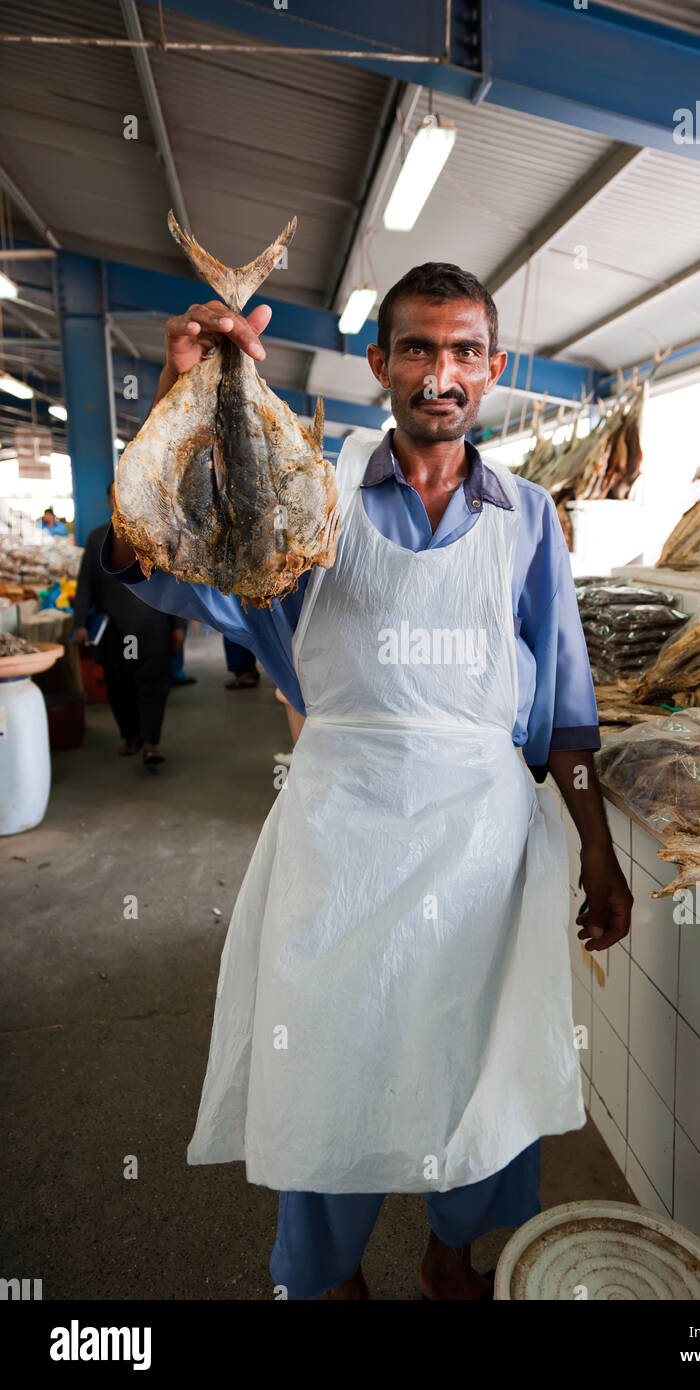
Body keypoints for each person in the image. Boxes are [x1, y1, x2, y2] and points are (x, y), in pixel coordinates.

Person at [102, 262, 632, 1300]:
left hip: (482, 846)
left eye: (465, 350)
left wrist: (598, 854)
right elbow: (151, 555)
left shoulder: (529, 519)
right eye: (420, 349)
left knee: (477, 1061)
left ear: (495, 367)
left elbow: (565, 702)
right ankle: (327, 1275)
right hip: (340, 838)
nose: (443, 373)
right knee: (328, 1067)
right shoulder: (309, 497)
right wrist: (180, 398)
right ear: (378, 362)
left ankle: (453, 1251)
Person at [73, 482, 186, 769]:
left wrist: (178, 626)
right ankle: (131, 735)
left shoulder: (156, 534)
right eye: (115, 495)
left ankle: (150, 742)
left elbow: (176, 581)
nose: (121, 500)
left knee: (152, 684)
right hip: (117, 631)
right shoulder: (98, 538)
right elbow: (85, 582)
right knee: (119, 684)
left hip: (152, 626)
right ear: (109, 501)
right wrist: (80, 623)